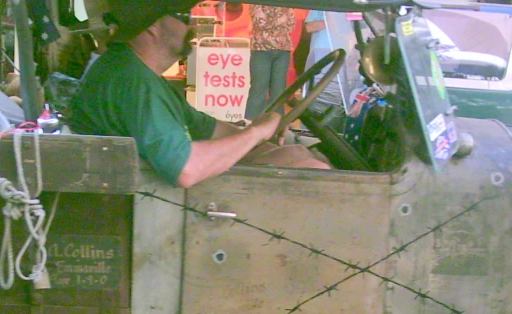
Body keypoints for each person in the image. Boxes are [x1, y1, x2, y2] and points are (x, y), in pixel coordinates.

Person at [69, 0, 329, 189]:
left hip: (154, 196)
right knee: (316, 171)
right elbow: (186, 170)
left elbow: (207, 128)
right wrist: (256, 134)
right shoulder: (132, 81)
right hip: (148, 208)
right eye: (183, 16)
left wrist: (261, 133)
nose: (193, 23)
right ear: (151, 25)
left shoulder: (140, 75)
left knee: (297, 154)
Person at [243, 5, 295, 121]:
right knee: (258, 89)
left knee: (279, 92)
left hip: (283, 49)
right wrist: (281, 21)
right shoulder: (257, 4)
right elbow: (260, 22)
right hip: (261, 49)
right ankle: (250, 124)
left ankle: (275, 125)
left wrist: (273, 21)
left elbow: (291, 24)